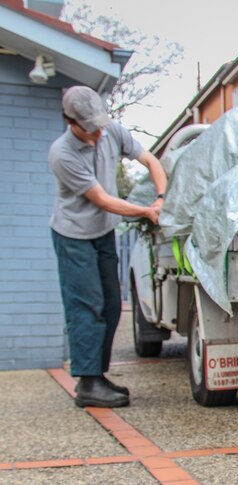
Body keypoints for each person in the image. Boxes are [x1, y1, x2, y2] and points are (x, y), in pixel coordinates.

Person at [49, 86, 167, 408]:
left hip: (103, 234)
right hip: (73, 236)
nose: (98, 133)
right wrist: (146, 211)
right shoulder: (63, 153)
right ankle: (87, 383)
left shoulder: (111, 131)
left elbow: (149, 160)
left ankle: (97, 376)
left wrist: (161, 197)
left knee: (111, 305)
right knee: (87, 306)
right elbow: (101, 199)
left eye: (100, 125)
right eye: (91, 128)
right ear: (71, 121)